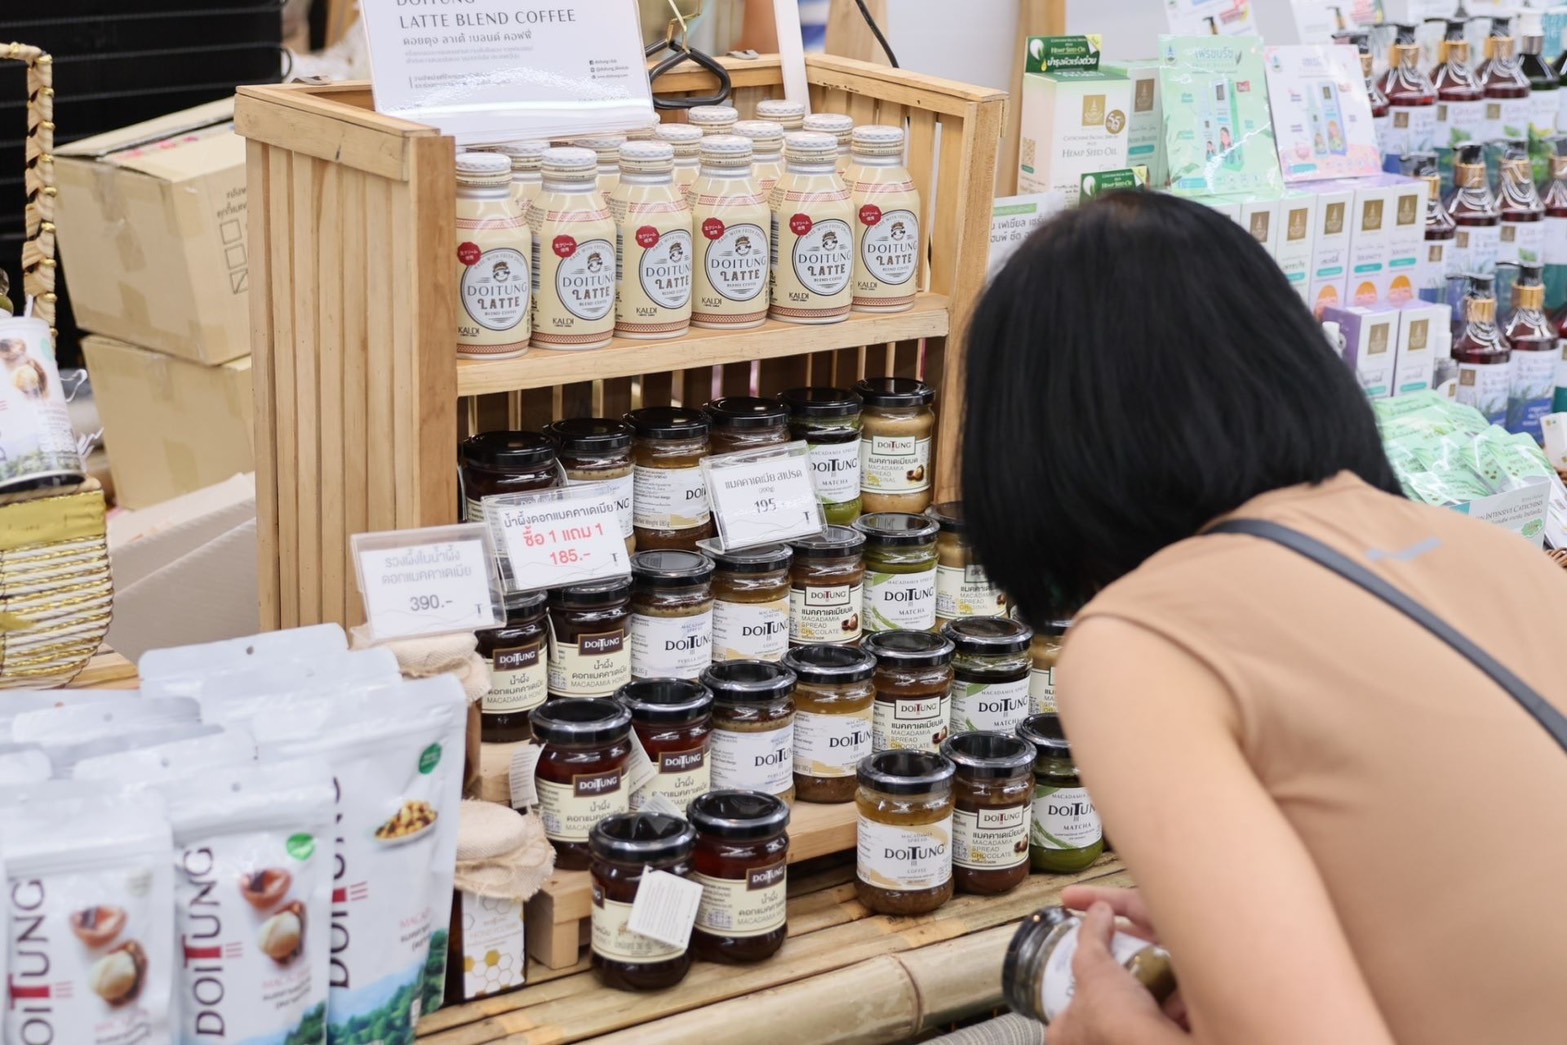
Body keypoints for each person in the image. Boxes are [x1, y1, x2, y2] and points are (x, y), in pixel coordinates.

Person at [962, 190, 1567, 1045]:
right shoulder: (1498, 554)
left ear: (1040, 445)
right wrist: (1243, 940)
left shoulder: (1142, 641)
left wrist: (1114, 1029)